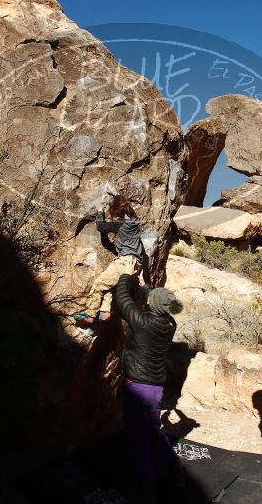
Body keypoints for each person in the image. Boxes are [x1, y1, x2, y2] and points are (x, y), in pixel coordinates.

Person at [115, 270, 184, 504]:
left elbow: (123, 300)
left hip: (137, 388)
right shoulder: (170, 324)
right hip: (156, 388)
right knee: (155, 431)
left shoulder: (142, 322)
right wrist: (145, 286)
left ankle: (146, 491)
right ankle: (175, 470)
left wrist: (125, 275)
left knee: (139, 438)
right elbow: (158, 301)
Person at [73, 194, 147, 325]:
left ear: (117, 215)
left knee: (98, 284)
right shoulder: (134, 221)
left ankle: (90, 314)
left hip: (126, 262)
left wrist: (100, 212)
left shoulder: (119, 223)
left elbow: (101, 227)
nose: (111, 218)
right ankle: (105, 311)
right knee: (109, 284)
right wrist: (116, 194)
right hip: (137, 265)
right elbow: (128, 208)